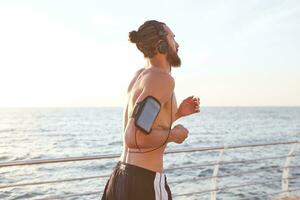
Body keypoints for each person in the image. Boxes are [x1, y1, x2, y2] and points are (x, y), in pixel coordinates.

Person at [101, 20, 200, 200]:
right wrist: (173, 135)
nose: (177, 44)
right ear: (161, 45)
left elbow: (144, 124)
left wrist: (177, 114)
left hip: (120, 179)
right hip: (143, 183)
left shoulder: (140, 76)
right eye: (173, 38)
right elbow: (134, 137)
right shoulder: (162, 79)